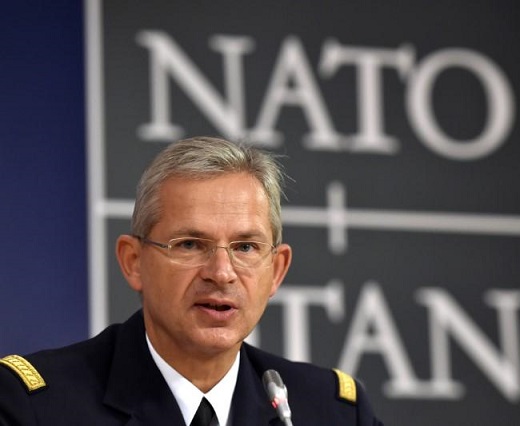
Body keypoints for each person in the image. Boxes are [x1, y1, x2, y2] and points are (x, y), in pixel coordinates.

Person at [0, 137, 384, 426]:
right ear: (133, 262)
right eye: (189, 244)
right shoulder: (34, 406)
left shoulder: (333, 412)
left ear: (277, 270)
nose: (221, 272)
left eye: (246, 247)